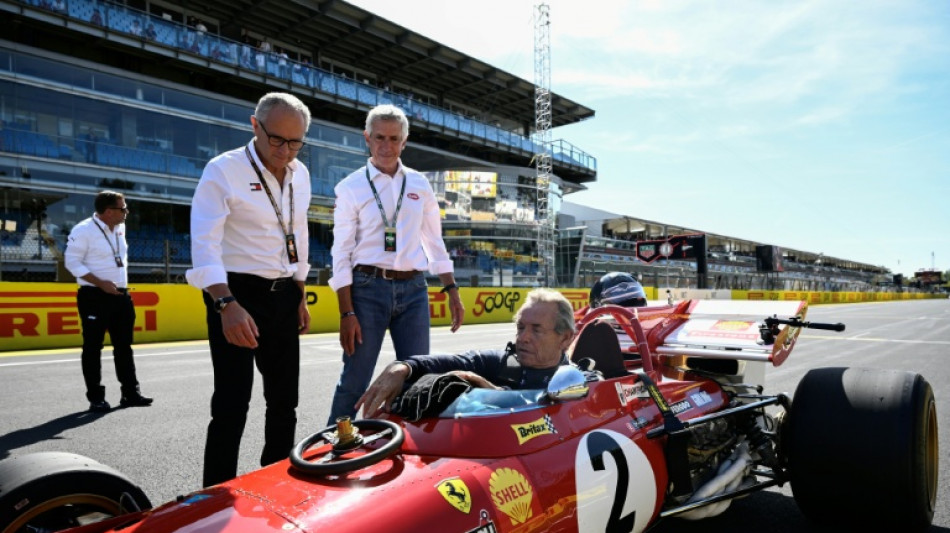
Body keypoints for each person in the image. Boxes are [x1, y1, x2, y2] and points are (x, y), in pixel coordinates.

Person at [186, 92, 312, 487]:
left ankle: (276, 486)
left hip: (284, 293)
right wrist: (225, 303)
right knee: (231, 404)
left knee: (284, 404)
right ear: (255, 125)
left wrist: (300, 291)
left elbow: (299, 233)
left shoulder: (301, 173)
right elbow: (203, 242)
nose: (286, 151)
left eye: (296, 142)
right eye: (277, 140)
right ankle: (214, 494)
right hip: (236, 294)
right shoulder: (223, 170)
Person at [326, 104, 465, 424]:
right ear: (366, 138)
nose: (386, 146)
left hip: (415, 288)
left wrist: (451, 288)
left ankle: (414, 449)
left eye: (394, 139)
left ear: (404, 141)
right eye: (379, 138)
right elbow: (341, 252)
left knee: (418, 376)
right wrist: (346, 311)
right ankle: (333, 447)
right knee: (355, 381)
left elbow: (434, 242)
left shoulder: (419, 184)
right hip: (366, 290)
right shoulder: (350, 186)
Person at [357, 289, 575, 418]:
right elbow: (451, 362)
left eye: (536, 329)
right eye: (520, 327)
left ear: (565, 338)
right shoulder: (505, 363)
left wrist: (495, 394)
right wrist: (403, 367)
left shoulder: (582, 380)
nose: (523, 338)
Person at [64, 191, 152, 413]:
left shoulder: (120, 228)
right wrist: (101, 283)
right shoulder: (83, 230)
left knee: (124, 346)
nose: (126, 212)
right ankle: (96, 397)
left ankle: (130, 393)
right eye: (123, 209)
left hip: (121, 296)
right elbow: (72, 263)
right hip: (94, 296)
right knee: (93, 347)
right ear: (109, 211)